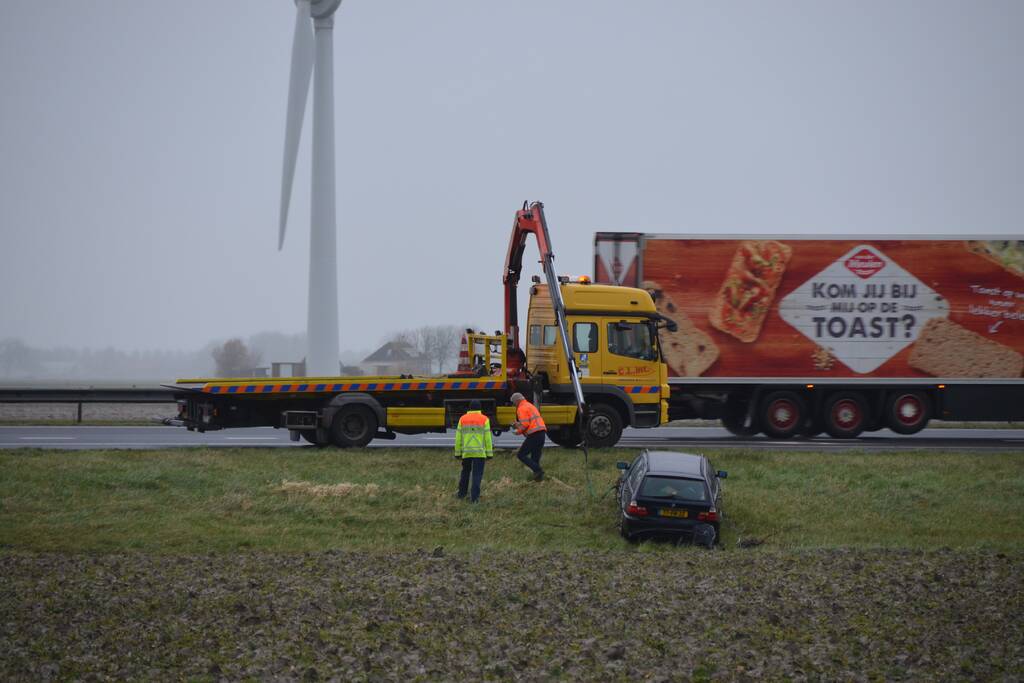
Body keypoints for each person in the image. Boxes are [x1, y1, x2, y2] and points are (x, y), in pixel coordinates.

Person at [454, 399, 493, 502]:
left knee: (465, 473)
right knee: (477, 475)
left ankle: (461, 494)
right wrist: (489, 453)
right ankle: (474, 498)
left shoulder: (462, 419)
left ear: (469, 408)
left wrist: (458, 452)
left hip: (466, 452)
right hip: (479, 453)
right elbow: (487, 438)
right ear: (480, 408)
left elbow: (458, 437)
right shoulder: (484, 419)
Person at [510, 392, 546, 481]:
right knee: (535, 458)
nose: (514, 405)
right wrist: (518, 424)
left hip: (534, 434)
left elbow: (525, 424)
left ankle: (538, 470)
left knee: (521, 455)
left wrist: (516, 431)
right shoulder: (530, 405)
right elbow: (529, 421)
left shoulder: (521, 408)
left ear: (517, 401)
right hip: (541, 433)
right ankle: (538, 480)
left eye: (514, 403)